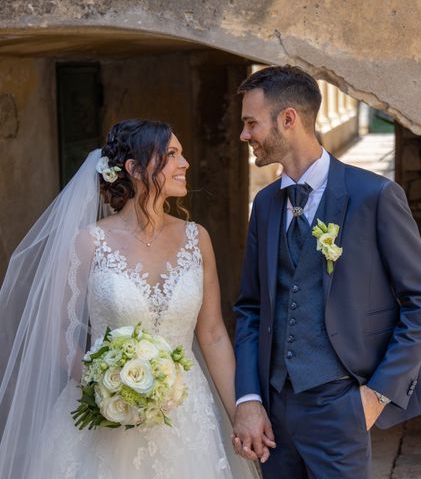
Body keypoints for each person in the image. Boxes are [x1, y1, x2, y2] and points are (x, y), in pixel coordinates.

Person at [0, 119, 259, 478]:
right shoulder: (89, 242)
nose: (184, 164)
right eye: (171, 155)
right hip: (106, 415)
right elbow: (60, 333)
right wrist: (106, 385)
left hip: (185, 416)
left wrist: (240, 414)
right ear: (135, 169)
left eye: (181, 154)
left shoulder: (196, 239)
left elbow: (213, 335)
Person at [232, 65, 421, 478]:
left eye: (250, 123)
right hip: (274, 413)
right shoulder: (266, 205)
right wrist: (249, 398)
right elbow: (250, 308)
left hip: (341, 405)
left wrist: (378, 394)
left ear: (288, 119)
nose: (244, 135)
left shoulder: (375, 197)